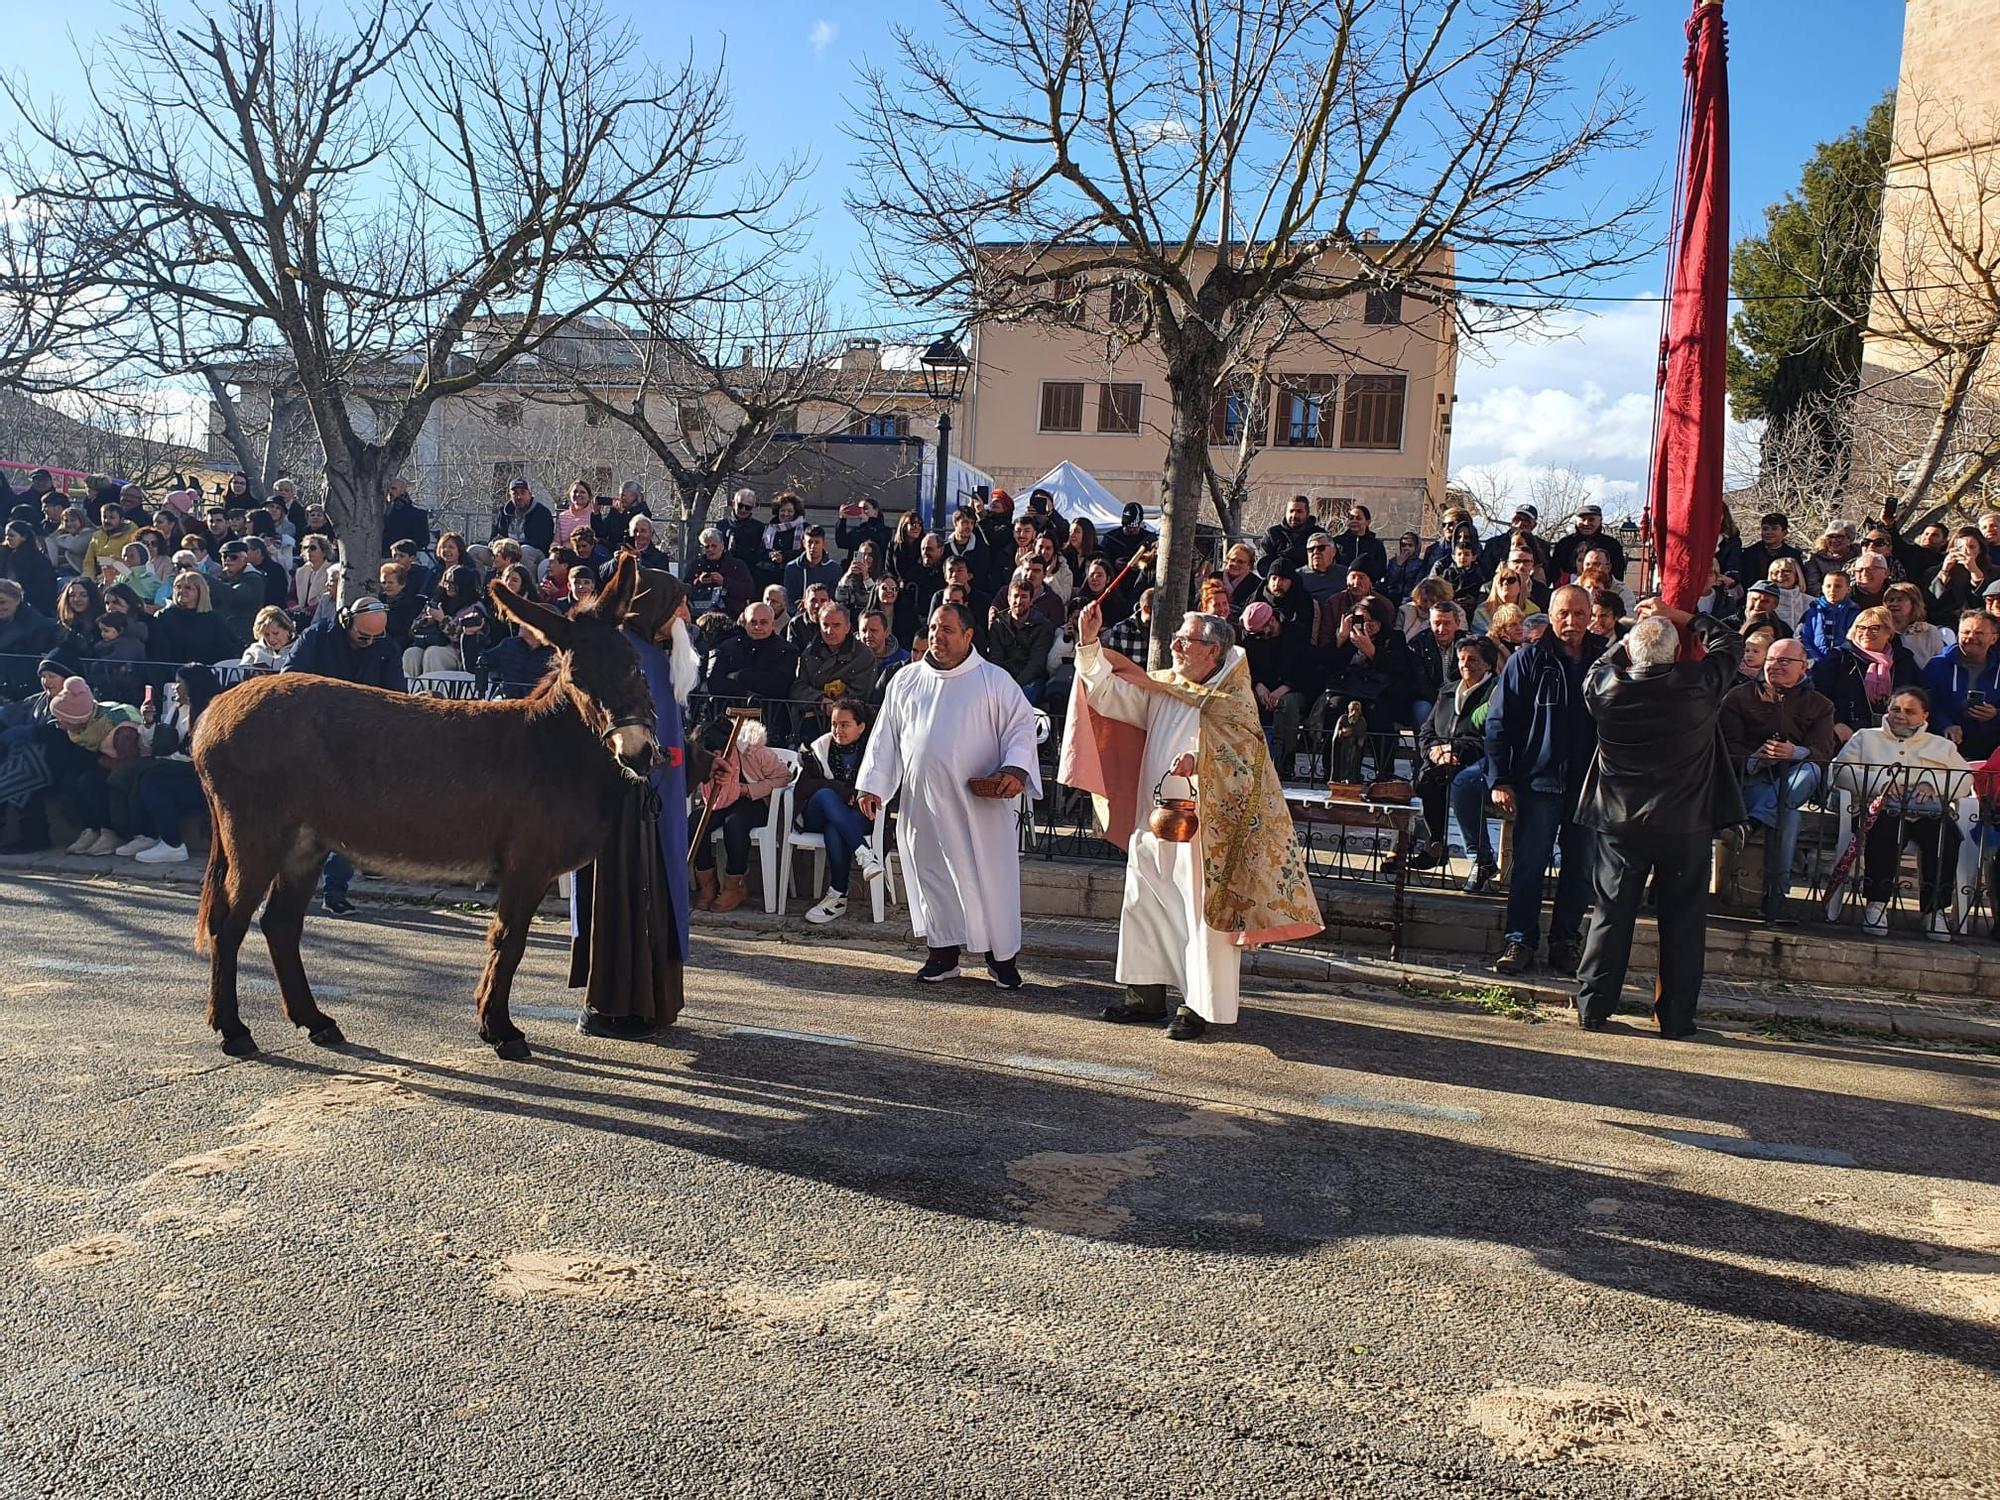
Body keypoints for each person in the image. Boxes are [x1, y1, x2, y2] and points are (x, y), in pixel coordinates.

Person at [1065, 601, 1320, 1040]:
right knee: (1144, 905)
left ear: (1214, 653)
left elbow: (1247, 764)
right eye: (1178, 637)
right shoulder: (1164, 687)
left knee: (1197, 919)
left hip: (1206, 835)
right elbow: (1107, 694)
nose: (1177, 645)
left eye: (1188, 640)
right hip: (1155, 819)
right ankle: (1143, 998)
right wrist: (1089, 643)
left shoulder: (1231, 705)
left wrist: (1200, 760)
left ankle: (1196, 1006)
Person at [1571, 608, 1743, 1036]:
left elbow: (1599, 664)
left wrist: (1627, 635)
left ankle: (1593, 1007)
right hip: (1684, 822)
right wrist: (1687, 616)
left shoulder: (1605, 688)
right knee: (1683, 921)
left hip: (1620, 820)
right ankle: (1676, 1017)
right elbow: (1730, 645)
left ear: (1630, 653)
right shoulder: (1697, 686)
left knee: (1611, 913)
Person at [856, 602, 1042, 986]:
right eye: (933, 628)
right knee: (933, 878)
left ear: (969, 636)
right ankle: (943, 955)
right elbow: (885, 738)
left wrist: (1015, 768)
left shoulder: (994, 681)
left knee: (989, 879)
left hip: (979, 808)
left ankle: (1000, 959)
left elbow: (1021, 728)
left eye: (947, 630)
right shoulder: (906, 680)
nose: (937, 637)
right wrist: (873, 785)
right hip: (924, 806)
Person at [1484, 585, 1605, 975]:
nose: (1571, 622)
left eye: (1580, 614)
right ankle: (1520, 940)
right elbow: (1500, 723)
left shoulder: (1605, 661)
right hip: (1538, 782)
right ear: (1550, 615)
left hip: (1589, 784)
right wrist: (1500, 778)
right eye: (1563, 614)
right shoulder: (1528, 660)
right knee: (1529, 867)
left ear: (1591, 615)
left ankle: (1565, 942)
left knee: (1579, 867)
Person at [285, 597, 405, 914]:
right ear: (345, 620)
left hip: (358, 746)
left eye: (374, 639)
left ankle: (335, 891)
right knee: (297, 822)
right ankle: (283, 889)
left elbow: (396, 697)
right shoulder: (315, 638)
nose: (368, 644)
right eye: (362, 636)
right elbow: (289, 681)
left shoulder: (385, 648)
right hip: (312, 741)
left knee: (349, 823)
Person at [1830, 687, 1974, 940]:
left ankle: (1935, 910)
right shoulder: (1866, 737)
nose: (1901, 716)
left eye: (1909, 711)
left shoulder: (1941, 745)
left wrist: (1934, 786)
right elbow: (1840, 772)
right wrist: (1882, 783)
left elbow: (1965, 779)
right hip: (1879, 810)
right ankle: (1876, 904)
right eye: (1896, 709)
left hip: (1926, 813)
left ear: (1924, 716)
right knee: (1886, 830)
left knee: (1947, 837)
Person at [1719, 638, 1836, 921]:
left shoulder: (1820, 705)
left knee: (1810, 772)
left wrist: (1795, 753)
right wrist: (1757, 758)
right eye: (1771, 659)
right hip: (1753, 781)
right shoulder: (1739, 697)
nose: (1775, 666)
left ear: (1803, 667)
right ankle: (1775, 899)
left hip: (1797, 777)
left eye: (1784, 661)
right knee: (1788, 816)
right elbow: (1725, 746)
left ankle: (1755, 822)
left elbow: (1823, 751)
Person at [1408, 635, 1498, 876]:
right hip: (1440, 761)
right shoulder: (1448, 691)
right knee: (1427, 781)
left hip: (1474, 762)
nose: (1465, 664)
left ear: (1488, 664)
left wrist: (1456, 750)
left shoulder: (1494, 692)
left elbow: (1490, 734)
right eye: (1461, 659)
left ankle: (1481, 859)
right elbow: (1428, 728)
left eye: (1473, 660)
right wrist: (1434, 749)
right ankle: (1434, 845)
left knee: (1458, 784)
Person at [689, 715, 793, 914]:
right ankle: (708, 885)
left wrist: (746, 789)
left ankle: (734, 886)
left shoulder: (754, 751)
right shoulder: (702, 759)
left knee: (734, 824)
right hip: (720, 800)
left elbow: (784, 777)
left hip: (753, 800)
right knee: (696, 823)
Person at [796, 698, 887, 924]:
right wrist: (839, 789)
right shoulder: (819, 748)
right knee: (827, 795)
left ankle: (837, 896)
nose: (837, 730)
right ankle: (864, 853)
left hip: (858, 815)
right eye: (834, 724)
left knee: (835, 828)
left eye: (844, 725)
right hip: (816, 812)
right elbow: (802, 789)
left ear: (861, 727)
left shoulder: (873, 753)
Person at [1812, 606, 1922, 741]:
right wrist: (1836, 722)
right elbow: (1819, 694)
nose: (1866, 633)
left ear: (1889, 632)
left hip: (1895, 733)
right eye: (1861, 628)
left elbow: (1918, 695)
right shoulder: (1838, 658)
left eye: (1874, 628)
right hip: (1849, 733)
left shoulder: (1903, 660)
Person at [1923, 610, 2000, 763]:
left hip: (1992, 750)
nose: (1971, 637)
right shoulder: (1937, 665)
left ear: (1993, 638)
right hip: (1945, 746)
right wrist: (1946, 725)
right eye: (1966, 632)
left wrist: (1996, 715)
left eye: (1979, 633)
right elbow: (1927, 704)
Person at [986, 575, 1056, 705]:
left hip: (1030, 680)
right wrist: (1004, 683)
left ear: (1031, 601)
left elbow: (1037, 662)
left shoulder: (1043, 626)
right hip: (1003, 678)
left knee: (1024, 698)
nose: (1019, 601)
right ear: (1008, 599)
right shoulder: (998, 625)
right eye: (1015, 596)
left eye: (1024, 597)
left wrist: (1015, 685)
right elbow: (996, 658)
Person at [1551, 503, 1627, 581]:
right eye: (1583, 519)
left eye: (1591, 519)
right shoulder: (1564, 544)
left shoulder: (1612, 545)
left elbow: (1618, 574)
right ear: (1576, 521)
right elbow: (1555, 572)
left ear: (1600, 520)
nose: (1586, 523)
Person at [490, 478, 555, 561]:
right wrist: (493, 543)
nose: (519, 497)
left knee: (524, 551)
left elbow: (540, 543)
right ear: (509, 495)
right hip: (504, 551)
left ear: (530, 494)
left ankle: (523, 574)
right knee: (475, 550)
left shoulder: (542, 513)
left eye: (523, 492)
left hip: (533, 552)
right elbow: (494, 536)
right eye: (515, 493)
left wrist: (511, 546)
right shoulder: (503, 512)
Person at [1331, 503, 1388, 581]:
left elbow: (1380, 569)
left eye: (1358, 518)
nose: (1354, 521)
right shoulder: (1337, 542)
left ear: (1367, 522)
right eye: (1351, 518)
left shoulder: (1376, 545)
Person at [1260, 496, 1318, 570]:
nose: (1294, 515)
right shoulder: (1272, 534)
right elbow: (1263, 565)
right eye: (1291, 511)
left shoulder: (1318, 534)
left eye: (1299, 511)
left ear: (1307, 513)